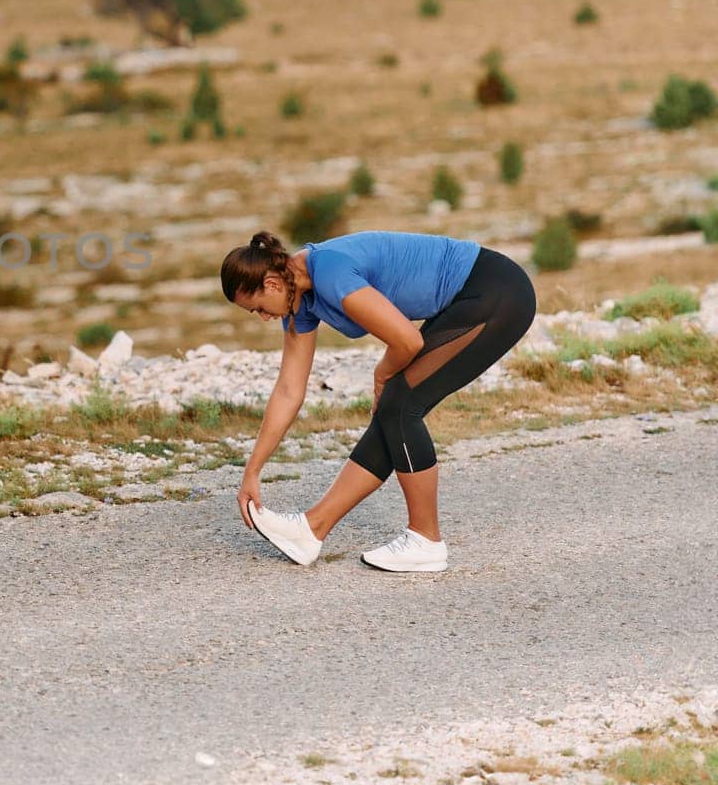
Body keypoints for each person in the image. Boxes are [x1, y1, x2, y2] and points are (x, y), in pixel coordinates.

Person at [219, 229, 537, 572]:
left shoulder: (329, 272)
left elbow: (407, 341)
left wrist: (382, 374)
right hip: (475, 298)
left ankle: (425, 539)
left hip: (496, 291)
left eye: (258, 310)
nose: (265, 318)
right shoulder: (301, 300)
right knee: (393, 409)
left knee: (400, 403)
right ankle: (311, 530)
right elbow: (288, 391)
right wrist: (252, 472)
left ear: (271, 284)